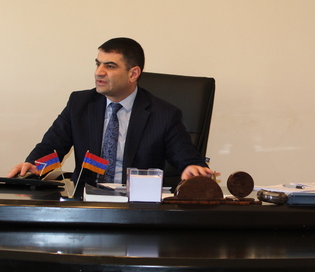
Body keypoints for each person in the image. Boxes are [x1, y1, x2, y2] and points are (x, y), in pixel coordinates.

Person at [7, 37, 216, 188]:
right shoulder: (80, 104)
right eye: (98, 64)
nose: (99, 72)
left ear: (133, 74)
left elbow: (186, 157)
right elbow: (52, 147)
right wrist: (36, 165)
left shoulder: (164, 114)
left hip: (138, 207)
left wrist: (192, 168)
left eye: (110, 66)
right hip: (86, 204)